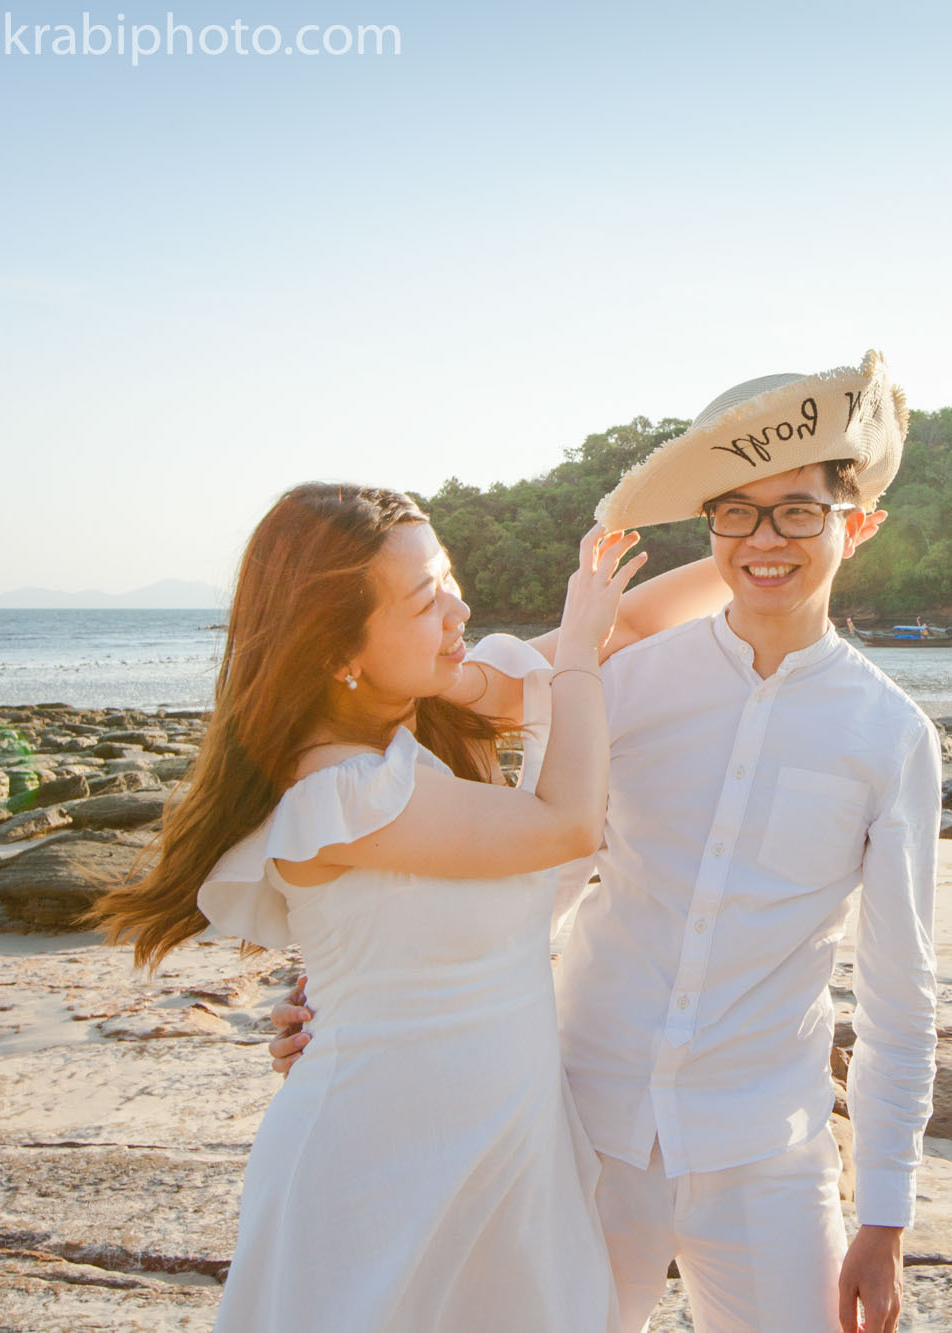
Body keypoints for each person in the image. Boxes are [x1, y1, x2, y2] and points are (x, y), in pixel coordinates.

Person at [272, 351, 941, 1333]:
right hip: (583, 1121)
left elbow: (899, 994)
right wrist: (357, 997)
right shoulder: (620, 686)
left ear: (858, 525)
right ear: (709, 524)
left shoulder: (888, 735)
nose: (764, 540)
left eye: (798, 512)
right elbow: (527, 877)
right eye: (737, 512)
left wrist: (884, 1214)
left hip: (766, 1146)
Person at [92, 484, 652, 1333]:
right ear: (336, 649)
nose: (460, 609)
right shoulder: (340, 790)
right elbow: (570, 822)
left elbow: (644, 619)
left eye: (450, 578)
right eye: (427, 600)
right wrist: (576, 646)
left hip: (501, 1152)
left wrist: (778, 521)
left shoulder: (416, 734)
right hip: (384, 1171)